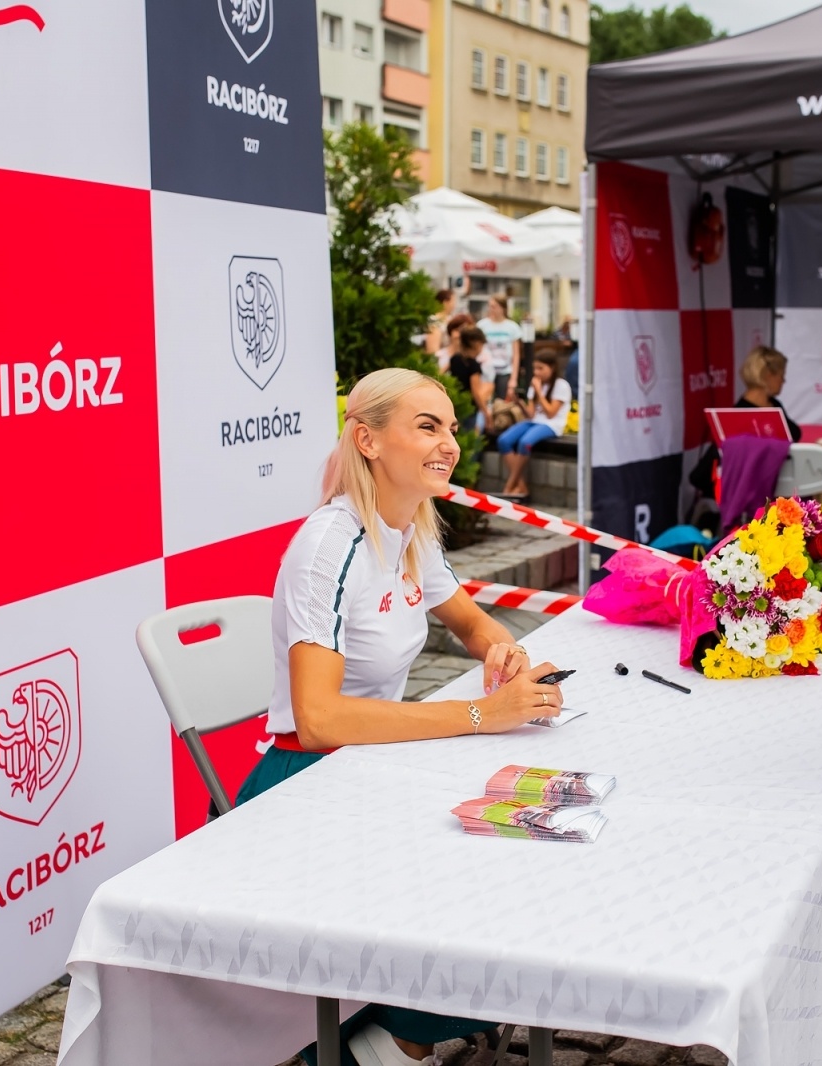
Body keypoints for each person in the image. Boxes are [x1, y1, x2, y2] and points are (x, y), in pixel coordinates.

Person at [240, 367, 566, 1066]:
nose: (450, 442)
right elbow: (319, 718)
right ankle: (367, 1045)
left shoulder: (410, 527)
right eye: (427, 427)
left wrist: (503, 654)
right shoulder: (331, 544)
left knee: (503, 875)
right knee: (466, 911)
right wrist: (482, 712)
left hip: (371, 768)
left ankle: (381, 1040)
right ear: (366, 439)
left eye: (450, 427)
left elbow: (476, 626)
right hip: (304, 784)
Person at [688, 345, 802, 501]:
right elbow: (701, 475)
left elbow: (794, 433)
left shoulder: (773, 406)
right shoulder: (736, 420)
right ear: (768, 376)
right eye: (781, 375)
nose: (784, 381)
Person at [495, 350, 571, 499]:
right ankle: (521, 486)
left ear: (552, 368)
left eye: (541, 368)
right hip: (534, 421)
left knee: (525, 443)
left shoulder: (561, 386)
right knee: (504, 441)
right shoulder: (535, 385)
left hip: (551, 424)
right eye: (535, 368)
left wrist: (539, 392)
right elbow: (530, 414)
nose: (537, 372)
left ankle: (510, 485)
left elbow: (551, 413)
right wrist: (520, 402)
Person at [478, 293, 522, 401]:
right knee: (485, 400)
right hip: (486, 371)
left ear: (503, 308)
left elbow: (516, 354)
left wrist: (513, 379)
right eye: (490, 306)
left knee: (501, 403)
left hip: (504, 371)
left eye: (494, 306)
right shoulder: (482, 325)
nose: (491, 309)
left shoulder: (512, 327)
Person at [447, 325, 492, 431]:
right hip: (469, 407)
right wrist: (486, 412)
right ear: (476, 344)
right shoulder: (473, 365)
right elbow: (475, 392)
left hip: (456, 403)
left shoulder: (455, 359)